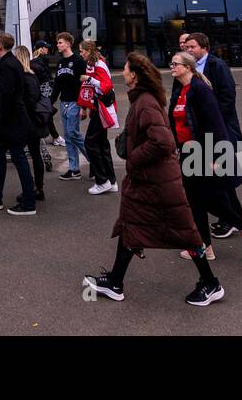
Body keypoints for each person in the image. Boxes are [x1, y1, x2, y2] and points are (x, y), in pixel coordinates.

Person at [82, 52, 226, 307]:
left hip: (159, 182)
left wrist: (134, 158)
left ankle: (211, 283)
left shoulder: (146, 102)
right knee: (130, 225)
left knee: (186, 232)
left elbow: (163, 142)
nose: (123, 73)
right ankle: (115, 282)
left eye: (125, 69)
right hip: (147, 181)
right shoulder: (143, 100)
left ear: (134, 75)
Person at [169, 51, 242, 255]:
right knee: (195, 201)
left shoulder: (200, 90)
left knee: (208, 199)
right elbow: (175, 123)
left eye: (176, 64)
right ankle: (204, 247)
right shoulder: (180, 90)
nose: (172, 67)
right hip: (187, 153)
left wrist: (214, 156)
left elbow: (215, 125)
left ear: (188, 67)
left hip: (202, 152)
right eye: (172, 63)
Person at [0, 32, 37, 215]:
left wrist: (0, 124)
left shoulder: (7, 66)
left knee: (18, 157)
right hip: (13, 121)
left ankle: (28, 202)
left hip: (11, 122)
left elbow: (7, 97)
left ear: (0, 46)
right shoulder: (13, 63)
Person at [78, 40, 118, 195]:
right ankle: (110, 180)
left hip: (102, 108)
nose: (80, 53)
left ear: (88, 51)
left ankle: (102, 180)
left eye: (81, 51)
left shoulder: (98, 65)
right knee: (102, 144)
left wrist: (89, 79)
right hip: (100, 107)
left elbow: (105, 86)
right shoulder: (95, 63)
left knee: (91, 142)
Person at [15, 45, 50, 201]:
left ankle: (29, 189)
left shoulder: (22, 77)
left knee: (19, 154)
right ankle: (39, 187)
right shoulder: (33, 76)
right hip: (35, 121)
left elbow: (26, 101)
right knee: (35, 154)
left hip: (26, 122)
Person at [53, 32, 88, 181]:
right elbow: (57, 85)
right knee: (68, 136)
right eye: (58, 42)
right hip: (63, 103)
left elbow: (84, 84)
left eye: (60, 42)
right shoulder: (60, 63)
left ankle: (96, 160)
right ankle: (74, 170)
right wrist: (49, 103)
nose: (58, 45)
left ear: (68, 43)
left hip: (75, 102)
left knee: (73, 133)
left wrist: (84, 106)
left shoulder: (79, 61)